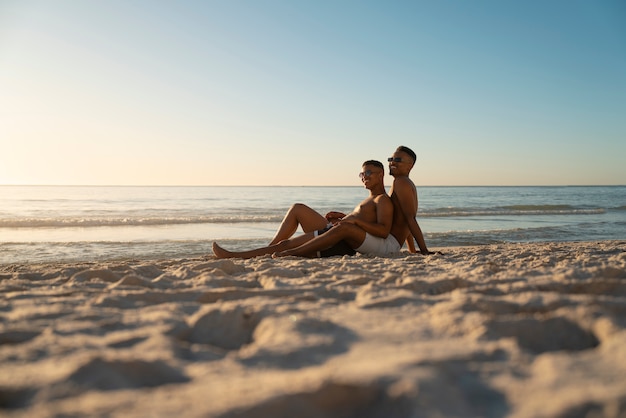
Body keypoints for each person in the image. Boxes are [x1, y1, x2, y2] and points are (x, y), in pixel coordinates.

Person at [274, 145, 437, 257]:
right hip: (387, 243)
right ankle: (275, 248)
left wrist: (423, 250)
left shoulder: (400, 183)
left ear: (411, 165)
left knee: (297, 235)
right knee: (300, 215)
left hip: (386, 245)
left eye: (398, 160)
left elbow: (410, 219)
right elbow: (402, 221)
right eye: (391, 159)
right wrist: (412, 250)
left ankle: (286, 251)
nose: (392, 163)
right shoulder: (401, 184)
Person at [212, 160, 394, 259]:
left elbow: (383, 231)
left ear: (381, 175)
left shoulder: (382, 200)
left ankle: (235, 255)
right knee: (297, 208)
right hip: (338, 230)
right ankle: (267, 249)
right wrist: (344, 216)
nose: (364, 177)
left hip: (343, 239)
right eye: (362, 174)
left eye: (368, 173)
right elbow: (363, 222)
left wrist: (352, 220)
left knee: (285, 246)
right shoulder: (370, 199)